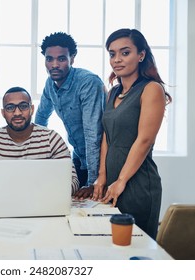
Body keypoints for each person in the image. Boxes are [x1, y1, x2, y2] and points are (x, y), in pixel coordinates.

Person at [76, 28, 172, 239]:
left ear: (141, 55)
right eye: (112, 54)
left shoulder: (151, 89)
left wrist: (121, 180)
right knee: (108, 245)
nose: (117, 59)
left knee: (136, 250)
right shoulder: (113, 93)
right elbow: (106, 138)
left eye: (125, 53)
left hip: (137, 185)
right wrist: (101, 177)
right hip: (111, 182)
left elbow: (145, 140)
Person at [0, 86, 79, 200]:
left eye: (23, 106)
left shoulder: (51, 139)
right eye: (10, 108)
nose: (17, 113)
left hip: (43, 204)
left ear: (32, 109)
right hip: (3, 205)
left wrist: (43, 195)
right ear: (3, 113)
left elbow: (72, 180)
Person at [35, 32, 107, 188]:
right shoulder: (50, 84)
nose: (54, 65)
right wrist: (38, 159)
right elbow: (40, 119)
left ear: (72, 58)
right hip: (79, 159)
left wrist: (92, 184)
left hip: (103, 165)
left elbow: (92, 134)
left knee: (96, 208)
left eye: (61, 58)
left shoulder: (88, 82)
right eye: (49, 59)